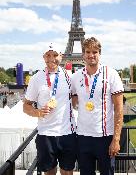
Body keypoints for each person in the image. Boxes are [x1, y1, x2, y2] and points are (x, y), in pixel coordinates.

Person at [71, 37, 124, 175]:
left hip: (105, 137)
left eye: (95, 51)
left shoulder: (111, 74)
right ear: (83, 54)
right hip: (83, 136)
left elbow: (119, 109)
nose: (91, 55)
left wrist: (116, 139)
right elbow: (72, 102)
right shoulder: (76, 77)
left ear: (99, 53)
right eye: (88, 51)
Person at [23, 43, 76, 175]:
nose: (52, 58)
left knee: (68, 172)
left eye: (55, 55)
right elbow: (26, 106)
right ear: (43, 57)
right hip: (45, 134)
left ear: (61, 56)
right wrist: (38, 112)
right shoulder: (36, 78)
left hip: (67, 133)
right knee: (49, 172)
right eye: (48, 55)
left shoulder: (71, 76)